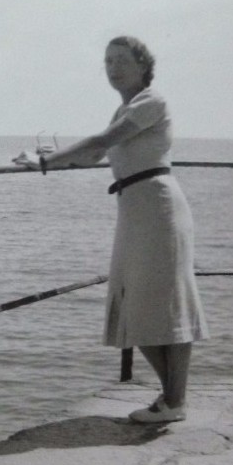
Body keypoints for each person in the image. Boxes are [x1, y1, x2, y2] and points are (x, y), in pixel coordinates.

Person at [20, 36, 208, 423]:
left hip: (158, 209)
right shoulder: (124, 107)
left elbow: (103, 142)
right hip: (136, 211)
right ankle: (172, 399)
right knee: (135, 304)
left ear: (143, 65)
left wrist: (46, 162)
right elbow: (94, 154)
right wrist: (44, 162)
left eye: (122, 60)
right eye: (107, 61)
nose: (113, 68)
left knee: (169, 302)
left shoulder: (151, 102)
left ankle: (175, 402)